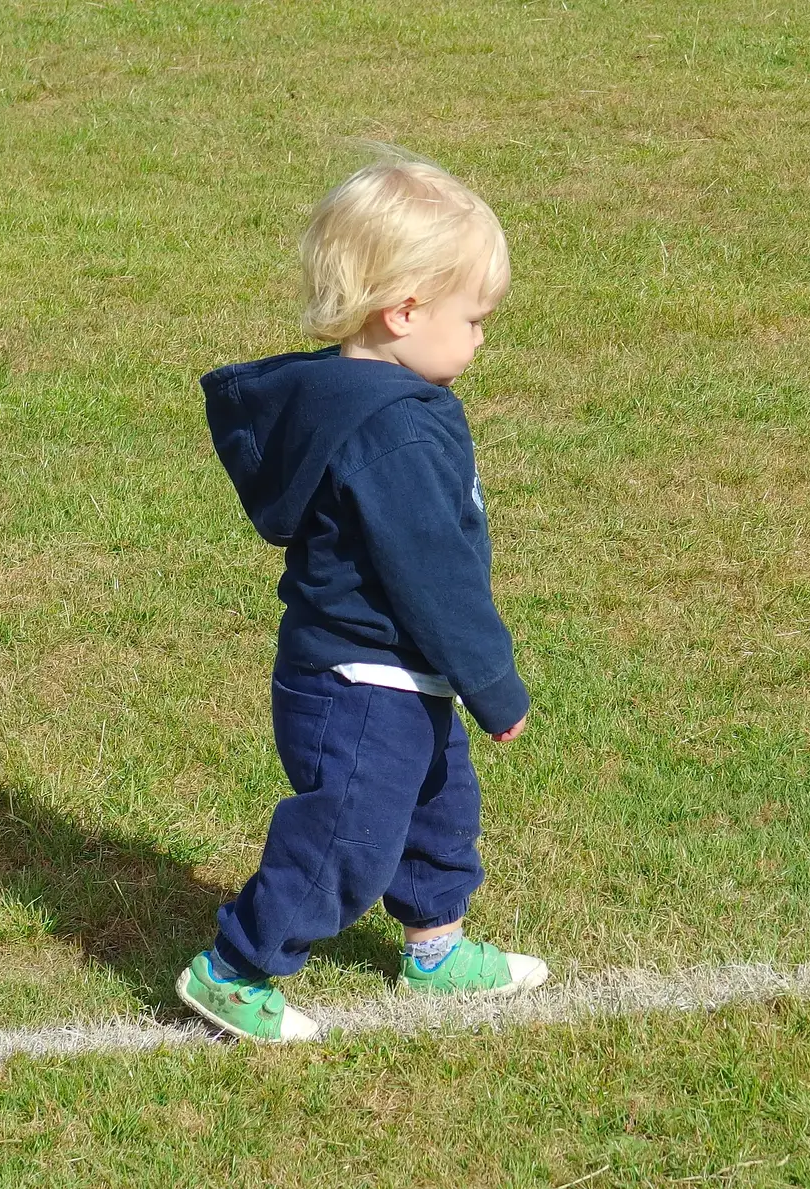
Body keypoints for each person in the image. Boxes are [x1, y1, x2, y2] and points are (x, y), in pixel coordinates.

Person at [177, 156, 547, 1042]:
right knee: (348, 838)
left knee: (438, 807)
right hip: (359, 679)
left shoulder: (364, 401)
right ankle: (236, 968)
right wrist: (493, 683)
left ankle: (436, 947)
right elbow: (433, 575)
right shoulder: (395, 428)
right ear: (406, 309)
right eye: (475, 319)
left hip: (393, 673)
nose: (481, 339)